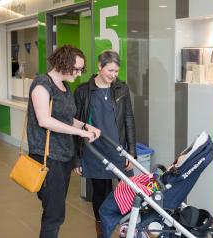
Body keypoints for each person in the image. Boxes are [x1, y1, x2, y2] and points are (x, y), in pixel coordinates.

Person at [27, 45, 101, 238]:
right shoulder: (42, 84)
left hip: (64, 156)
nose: (78, 73)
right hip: (48, 155)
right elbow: (45, 120)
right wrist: (79, 133)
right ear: (62, 63)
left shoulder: (66, 87)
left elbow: (67, 118)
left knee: (55, 209)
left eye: (80, 69)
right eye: (76, 69)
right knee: (54, 214)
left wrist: (85, 126)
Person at [74, 50, 137, 237]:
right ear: (99, 67)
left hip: (118, 149)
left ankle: (129, 228)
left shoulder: (121, 89)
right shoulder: (83, 91)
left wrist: (131, 151)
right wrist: (77, 158)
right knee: (100, 193)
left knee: (131, 190)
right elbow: (76, 124)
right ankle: (103, 230)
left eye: (116, 71)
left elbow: (129, 119)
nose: (114, 75)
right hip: (95, 151)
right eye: (110, 70)